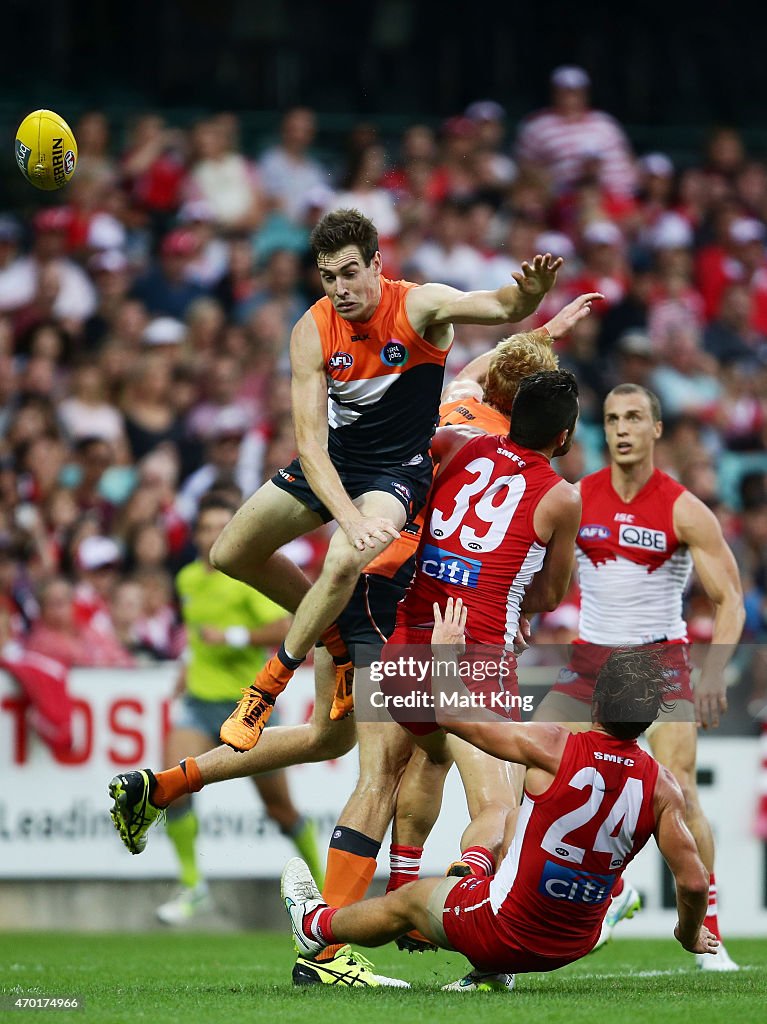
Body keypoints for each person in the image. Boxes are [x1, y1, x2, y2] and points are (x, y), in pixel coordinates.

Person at [105, 295, 595, 986]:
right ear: (565, 433)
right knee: (480, 794)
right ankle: (426, 913)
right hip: (435, 624)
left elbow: (484, 367)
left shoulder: (454, 428)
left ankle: (163, 787)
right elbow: (546, 592)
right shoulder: (554, 485)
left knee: (341, 748)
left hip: (385, 605)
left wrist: (534, 331)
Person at [210, 207, 563, 753]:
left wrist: (530, 296)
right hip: (332, 464)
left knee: (342, 560)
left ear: (378, 264)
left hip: (396, 472)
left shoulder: (419, 305)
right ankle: (336, 639)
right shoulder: (312, 329)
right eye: (329, 277)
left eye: (350, 273)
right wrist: (347, 518)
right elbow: (310, 445)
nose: (340, 289)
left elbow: (499, 305)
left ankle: (267, 686)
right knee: (230, 553)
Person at [282, 625, 717, 992]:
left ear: (595, 705)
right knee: (511, 819)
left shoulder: (553, 746)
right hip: (570, 946)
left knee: (410, 899)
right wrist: (688, 932)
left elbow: (453, 715)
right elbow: (695, 882)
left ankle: (316, 925)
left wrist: (445, 656)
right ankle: (488, 956)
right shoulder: (663, 785)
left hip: (501, 929)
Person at [534, 383, 744, 970]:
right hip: (590, 662)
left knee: (677, 785)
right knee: (526, 769)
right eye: (611, 419)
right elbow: (540, 578)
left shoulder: (682, 507)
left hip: (661, 662)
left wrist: (714, 670)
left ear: (655, 429)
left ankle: (711, 935)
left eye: (633, 417)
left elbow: (730, 599)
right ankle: (544, 908)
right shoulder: (576, 497)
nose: (622, 428)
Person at [109, 493, 324, 924]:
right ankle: (193, 886)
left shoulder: (249, 575)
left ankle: (325, 887)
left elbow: (289, 624)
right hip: (199, 701)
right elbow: (195, 633)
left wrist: (234, 638)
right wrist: (190, 665)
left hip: (248, 708)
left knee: (280, 810)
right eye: (204, 528)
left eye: (219, 528)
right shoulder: (188, 578)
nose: (211, 536)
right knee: (173, 787)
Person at [515, 65, 637, 198]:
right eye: (565, 92)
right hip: (569, 202)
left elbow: (628, 158)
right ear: (554, 93)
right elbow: (525, 166)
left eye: (575, 92)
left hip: (620, 200)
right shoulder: (537, 125)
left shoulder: (605, 122)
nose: (570, 98)